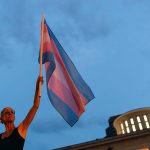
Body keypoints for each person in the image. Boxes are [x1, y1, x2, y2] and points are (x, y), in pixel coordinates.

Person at [0, 76, 43, 150]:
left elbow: (35, 106)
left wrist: (38, 87)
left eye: (12, 112)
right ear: (1, 119)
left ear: (14, 116)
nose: (10, 113)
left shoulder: (20, 130)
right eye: (6, 112)